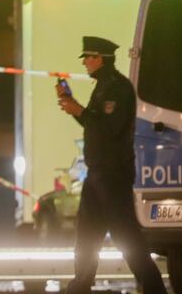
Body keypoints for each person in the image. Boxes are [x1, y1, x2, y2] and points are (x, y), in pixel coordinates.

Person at [56, 36, 167, 294]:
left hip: (113, 175)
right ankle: (79, 288)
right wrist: (75, 109)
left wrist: (79, 110)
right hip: (97, 174)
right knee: (86, 238)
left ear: (101, 58)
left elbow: (110, 129)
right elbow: (94, 125)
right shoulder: (103, 87)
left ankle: (154, 288)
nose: (84, 62)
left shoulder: (118, 88)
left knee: (126, 237)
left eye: (88, 57)